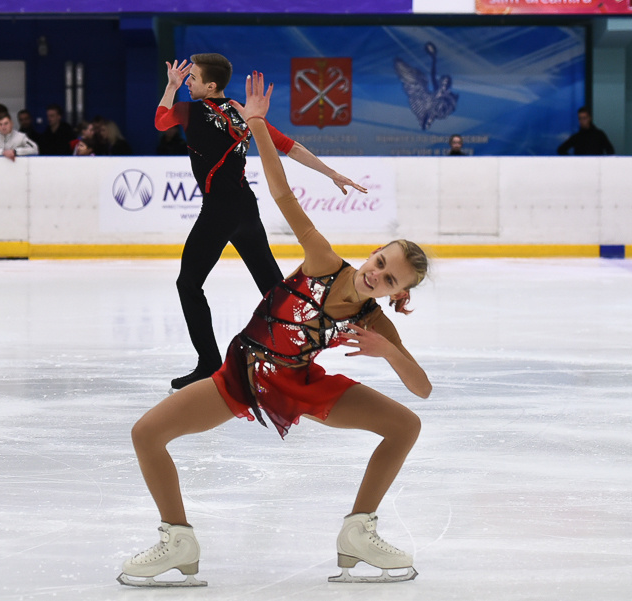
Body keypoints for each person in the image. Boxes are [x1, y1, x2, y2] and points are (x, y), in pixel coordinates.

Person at [119, 71, 430, 588]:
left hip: (299, 382)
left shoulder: (371, 320)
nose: (375, 272)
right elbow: (283, 195)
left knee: (405, 426)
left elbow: (421, 389)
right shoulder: (324, 260)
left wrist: (387, 351)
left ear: (395, 291)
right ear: (374, 250)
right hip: (245, 372)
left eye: (389, 278)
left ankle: (358, 530)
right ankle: (178, 539)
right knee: (147, 434)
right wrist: (258, 125)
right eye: (380, 260)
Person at [155, 54, 366, 391]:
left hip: (219, 211)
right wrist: (331, 173)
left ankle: (210, 364)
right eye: (185, 78)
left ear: (211, 85)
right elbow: (289, 147)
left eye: (192, 77)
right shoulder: (244, 112)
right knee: (272, 289)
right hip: (245, 208)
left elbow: (161, 122)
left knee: (188, 284)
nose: (187, 81)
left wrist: (170, 88)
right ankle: (299, 357)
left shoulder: (190, 110)